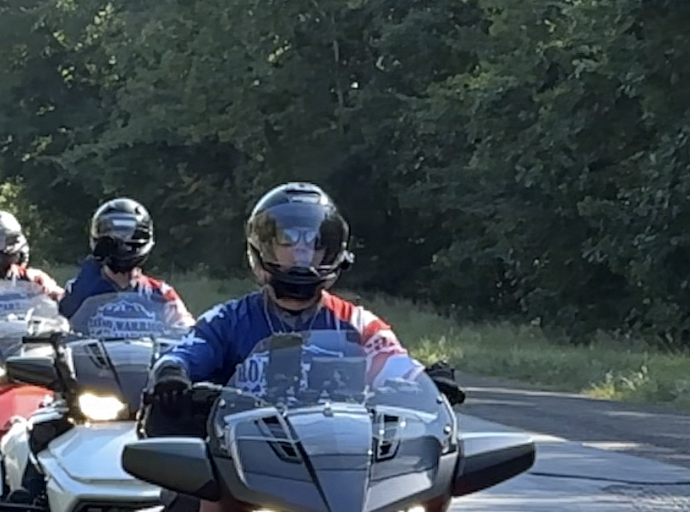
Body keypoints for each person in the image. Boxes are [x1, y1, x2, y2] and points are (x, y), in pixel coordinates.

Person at [142, 183, 460, 436]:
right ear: (263, 248)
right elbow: (184, 353)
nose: (303, 251)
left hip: (342, 468)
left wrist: (428, 381)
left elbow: (396, 364)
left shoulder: (359, 324)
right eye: (289, 240)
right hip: (240, 469)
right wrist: (171, 375)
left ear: (332, 251)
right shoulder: (227, 320)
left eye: (314, 241)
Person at [57, 198, 194, 326]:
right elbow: (62, 321)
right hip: (92, 352)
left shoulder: (161, 293)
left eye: (129, 235)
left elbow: (186, 332)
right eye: (113, 236)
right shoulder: (81, 287)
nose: (122, 243)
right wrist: (91, 269)